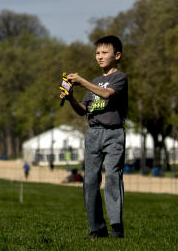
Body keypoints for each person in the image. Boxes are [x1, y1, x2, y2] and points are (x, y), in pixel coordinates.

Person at [60, 35, 128, 239]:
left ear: (117, 55)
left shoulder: (119, 78)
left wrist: (81, 81)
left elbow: (107, 95)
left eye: (104, 52)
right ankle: (97, 228)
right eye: (97, 53)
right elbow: (83, 110)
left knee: (113, 177)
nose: (99, 56)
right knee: (90, 181)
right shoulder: (95, 81)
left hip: (113, 133)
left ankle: (116, 227)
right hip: (93, 134)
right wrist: (71, 96)